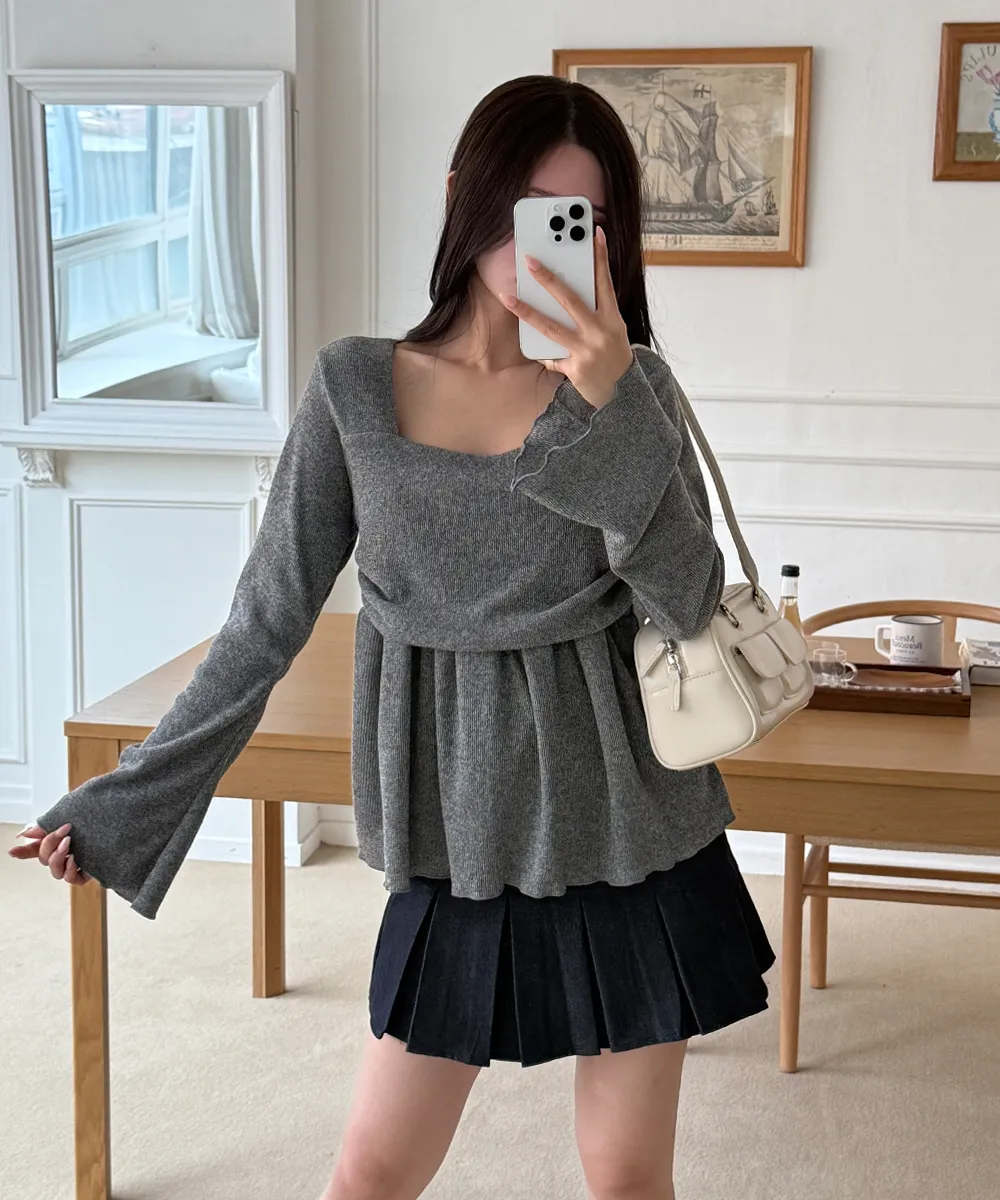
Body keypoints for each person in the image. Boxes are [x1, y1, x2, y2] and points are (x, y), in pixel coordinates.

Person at [9, 74, 775, 1200]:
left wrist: (612, 401)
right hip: (451, 831)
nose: (549, 241)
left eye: (585, 218)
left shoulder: (632, 387)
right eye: (527, 206)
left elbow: (687, 602)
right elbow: (266, 618)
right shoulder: (355, 386)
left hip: (625, 822)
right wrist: (130, 800)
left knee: (624, 1178)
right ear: (466, 194)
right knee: (369, 1174)